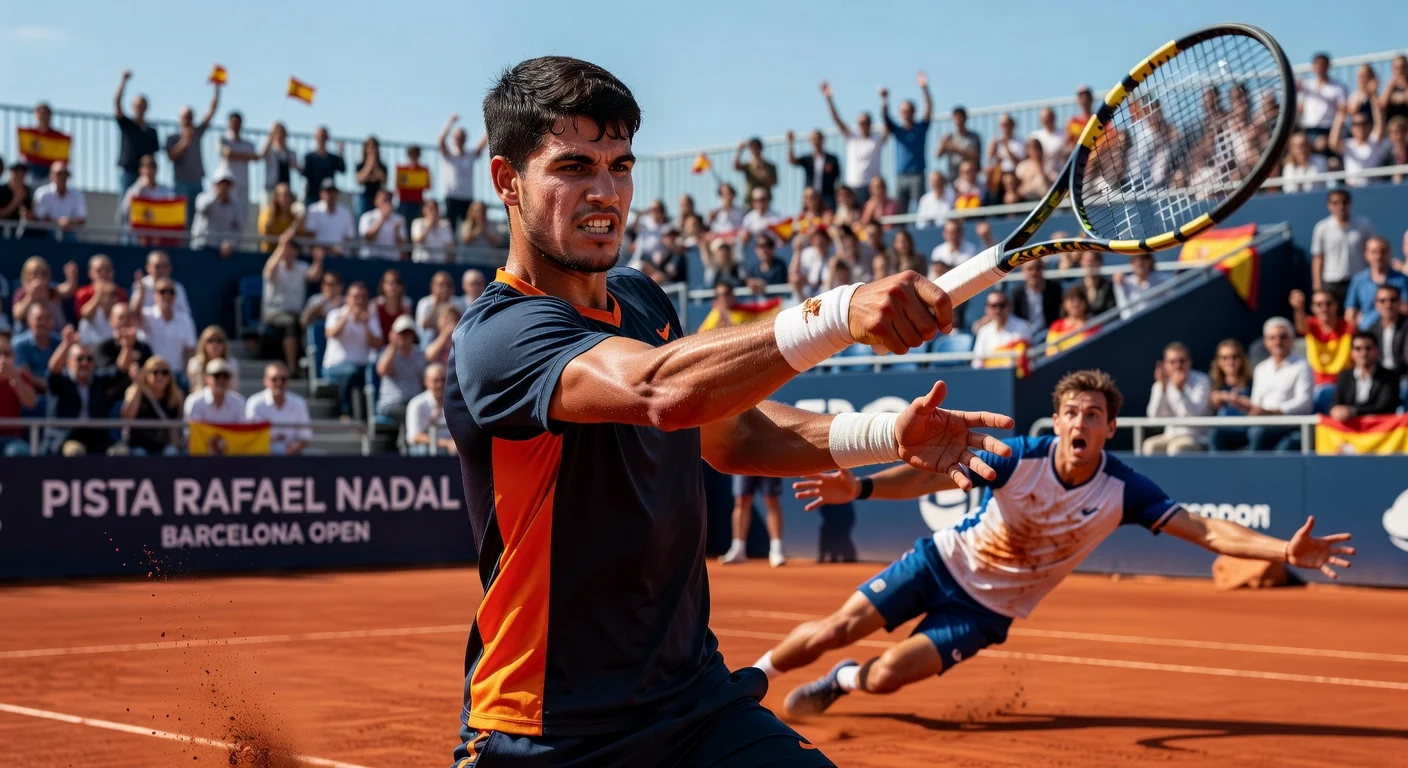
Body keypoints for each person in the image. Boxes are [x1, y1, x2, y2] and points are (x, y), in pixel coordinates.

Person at [445, 55, 1007, 768]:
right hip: (546, 730)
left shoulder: (642, 298)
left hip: (694, 706)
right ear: (506, 181)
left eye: (620, 166)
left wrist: (886, 432)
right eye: (574, 167)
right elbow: (661, 392)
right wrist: (838, 311)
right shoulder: (500, 335)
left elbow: (733, 431)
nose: (605, 192)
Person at [769, 370, 1356, 718]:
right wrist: (863, 487)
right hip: (941, 562)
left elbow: (1206, 531)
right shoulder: (1019, 456)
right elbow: (928, 474)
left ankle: (841, 680)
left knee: (886, 674)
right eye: (1071, 412)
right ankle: (749, 680)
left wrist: (1282, 551)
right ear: (1057, 420)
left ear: (1108, 429)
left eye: (1093, 415)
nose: (1080, 422)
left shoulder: (1124, 490)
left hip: (986, 611)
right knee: (831, 629)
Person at [45, 328, 126, 456]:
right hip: (66, 436)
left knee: (120, 452)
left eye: (89, 359)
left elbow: (120, 371)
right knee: (75, 451)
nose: (84, 363)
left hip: (96, 437)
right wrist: (66, 344)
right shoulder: (62, 382)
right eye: (80, 359)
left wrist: (127, 346)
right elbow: (53, 369)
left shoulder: (98, 381)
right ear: (69, 362)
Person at [1248, 317, 1314, 451]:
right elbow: (1256, 401)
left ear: (1291, 340)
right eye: (1272, 338)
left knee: (1259, 433)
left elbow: (1304, 405)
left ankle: (1249, 471)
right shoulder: (1261, 368)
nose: (1278, 342)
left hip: (1288, 424)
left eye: (1283, 337)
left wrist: (1274, 412)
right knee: (1218, 434)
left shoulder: (1302, 366)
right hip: (1261, 423)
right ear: (1266, 342)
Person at [262, 232, 325, 371]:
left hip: (296, 313)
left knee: (308, 321)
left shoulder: (301, 267)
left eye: (292, 249)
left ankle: (310, 365)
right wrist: (281, 246)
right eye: (286, 248)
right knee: (291, 323)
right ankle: (291, 367)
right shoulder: (274, 265)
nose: (289, 252)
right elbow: (269, 272)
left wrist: (318, 260)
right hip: (273, 313)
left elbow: (314, 276)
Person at [323, 281, 383, 421]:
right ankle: (345, 411)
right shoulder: (335, 314)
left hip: (363, 367)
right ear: (348, 298)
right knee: (353, 372)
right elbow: (331, 333)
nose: (359, 301)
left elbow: (377, 344)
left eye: (363, 297)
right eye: (356, 297)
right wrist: (347, 316)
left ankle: (373, 415)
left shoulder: (370, 319)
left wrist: (366, 325)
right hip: (334, 367)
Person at [821, 80, 885, 207]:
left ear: (870, 123)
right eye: (861, 122)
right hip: (854, 185)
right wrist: (829, 99)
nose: (863, 124)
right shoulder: (852, 137)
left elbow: (888, 123)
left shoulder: (877, 137)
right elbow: (837, 119)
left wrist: (884, 101)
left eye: (866, 122)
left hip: (871, 187)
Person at [1142, 342, 1212, 454]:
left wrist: (1180, 391)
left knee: (1176, 448)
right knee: (1150, 445)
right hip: (1170, 435)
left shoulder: (1201, 380)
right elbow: (1153, 417)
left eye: (1182, 361)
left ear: (1189, 362)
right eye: (1172, 362)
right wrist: (1162, 390)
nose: (1178, 365)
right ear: (1165, 364)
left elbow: (1194, 415)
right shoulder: (1160, 385)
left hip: (1196, 437)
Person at [165, 84, 221, 224]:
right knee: (182, 218)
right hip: (181, 183)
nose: (188, 120)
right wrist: (184, 142)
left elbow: (211, 113)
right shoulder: (172, 138)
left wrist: (217, 89)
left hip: (197, 181)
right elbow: (171, 156)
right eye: (185, 117)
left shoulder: (197, 132)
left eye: (190, 117)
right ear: (180, 119)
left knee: (197, 217)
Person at [1311, 189, 1375, 307]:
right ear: (1329, 206)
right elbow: (1318, 258)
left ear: (1350, 204)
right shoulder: (1321, 228)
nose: (1340, 206)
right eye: (1335, 203)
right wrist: (1317, 287)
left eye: (1344, 202)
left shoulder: (1364, 225)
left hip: (1358, 280)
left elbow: (1372, 253)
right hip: (1331, 282)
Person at [880, 71, 933, 213]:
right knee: (900, 210)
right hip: (900, 175)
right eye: (903, 111)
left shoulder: (920, 128)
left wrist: (924, 88)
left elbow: (929, 109)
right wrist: (884, 100)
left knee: (920, 209)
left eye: (908, 111)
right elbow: (885, 118)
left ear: (914, 112)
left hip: (917, 175)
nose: (906, 113)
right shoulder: (898, 130)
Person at [1291, 288, 1352, 410]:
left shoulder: (1348, 327)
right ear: (1313, 308)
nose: (1324, 308)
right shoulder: (1311, 325)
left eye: (1328, 304)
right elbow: (1300, 327)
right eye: (1319, 305)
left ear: (1336, 306)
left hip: (1340, 385)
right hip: (1316, 386)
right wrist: (1299, 308)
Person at [119, 355, 184, 456]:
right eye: (155, 372)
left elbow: (175, 430)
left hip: (163, 446)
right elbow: (127, 417)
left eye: (164, 372)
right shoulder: (134, 391)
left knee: (172, 453)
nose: (159, 377)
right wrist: (138, 385)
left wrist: (176, 444)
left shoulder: (176, 397)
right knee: (139, 454)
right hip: (138, 446)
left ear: (170, 376)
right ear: (146, 374)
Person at [139, 277, 198, 388]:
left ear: (175, 296)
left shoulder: (185, 320)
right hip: (151, 375)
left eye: (171, 292)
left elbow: (190, 350)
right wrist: (140, 293)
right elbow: (132, 315)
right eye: (162, 291)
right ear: (154, 295)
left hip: (177, 376)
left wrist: (187, 375)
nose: (167, 295)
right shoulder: (145, 316)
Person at [1329, 332, 1400, 421]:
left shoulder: (1389, 377)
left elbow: (1384, 407)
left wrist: (1353, 411)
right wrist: (1335, 411)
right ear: (1351, 352)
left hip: (1380, 431)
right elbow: (1336, 403)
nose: (1363, 353)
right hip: (1349, 432)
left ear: (1376, 350)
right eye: (1358, 349)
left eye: (1368, 348)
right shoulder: (1344, 376)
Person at [245, 362, 312, 455]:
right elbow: (251, 435)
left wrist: (295, 447)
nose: (279, 383)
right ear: (266, 381)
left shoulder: (299, 403)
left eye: (283, 379)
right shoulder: (255, 403)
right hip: (261, 457)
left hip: (292, 458)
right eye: (274, 379)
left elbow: (305, 436)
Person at [439, 114, 488, 237]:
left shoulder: (470, 155)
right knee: (450, 230)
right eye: (457, 137)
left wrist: (493, 122)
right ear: (453, 139)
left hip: (467, 197)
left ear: (465, 139)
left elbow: (483, 143)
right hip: (452, 197)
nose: (460, 140)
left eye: (462, 137)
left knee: (467, 229)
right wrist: (450, 123)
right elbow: (441, 141)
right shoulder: (449, 155)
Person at [1344, 236, 1408, 330]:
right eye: (1374, 252)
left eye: (1383, 252)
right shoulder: (1358, 280)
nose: (1378, 256)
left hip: (1396, 332)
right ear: (1366, 254)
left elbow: (1405, 308)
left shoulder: (1402, 280)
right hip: (1367, 334)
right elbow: (1350, 313)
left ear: (1389, 253)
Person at [114, 70, 159, 194]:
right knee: (125, 209)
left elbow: (153, 155)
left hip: (145, 176)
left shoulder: (151, 132)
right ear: (133, 107)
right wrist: (123, 82)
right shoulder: (127, 125)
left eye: (142, 106)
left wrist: (150, 174)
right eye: (137, 105)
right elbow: (117, 104)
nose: (140, 108)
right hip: (128, 172)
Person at [375, 315, 427, 422]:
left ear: (412, 335)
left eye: (407, 333)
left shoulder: (419, 353)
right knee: (411, 414)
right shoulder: (387, 352)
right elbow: (382, 370)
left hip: (414, 401)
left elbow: (425, 378)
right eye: (401, 333)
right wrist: (393, 346)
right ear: (393, 335)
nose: (404, 337)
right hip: (391, 403)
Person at [1207, 339, 1255, 452]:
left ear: (1242, 359)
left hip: (1247, 430)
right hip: (1223, 432)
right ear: (1218, 361)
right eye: (1225, 358)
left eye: (1234, 357)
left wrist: (1241, 402)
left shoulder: (1253, 382)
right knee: (1214, 434)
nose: (1230, 362)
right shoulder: (1213, 384)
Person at [1298, 53, 1348, 154]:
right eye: (1317, 64)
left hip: (1329, 130)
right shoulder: (1306, 85)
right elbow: (1300, 107)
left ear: (1328, 66)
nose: (1320, 67)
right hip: (1308, 129)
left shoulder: (1338, 86)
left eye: (1323, 64)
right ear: (1313, 66)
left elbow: (1342, 109)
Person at [969, 292, 1032, 369]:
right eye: (993, 306)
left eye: (1001, 305)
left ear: (1009, 306)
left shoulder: (1022, 327)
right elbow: (977, 362)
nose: (997, 310)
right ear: (987, 309)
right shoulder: (984, 331)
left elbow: (1022, 360)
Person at [0, 334, 39, 456]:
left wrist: (14, 376)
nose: (3, 359)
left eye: (7, 354)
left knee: (19, 452)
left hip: (12, 439)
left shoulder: (20, 376)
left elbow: (31, 403)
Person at [786, 129, 841, 211]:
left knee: (828, 215)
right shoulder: (808, 158)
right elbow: (792, 161)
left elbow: (837, 177)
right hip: (810, 196)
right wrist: (790, 143)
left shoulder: (832, 159)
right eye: (813, 139)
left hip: (827, 194)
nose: (816, 141)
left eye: (818, 138)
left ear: (822, 140)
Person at [190, 169, 243, 253]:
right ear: (215, 185)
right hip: (201, 246)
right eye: (221, 183)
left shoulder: (235, 204)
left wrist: (230, 242)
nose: (224, 187)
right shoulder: (202, 198)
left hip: (222, 251)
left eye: (227, 184)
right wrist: (216, 195)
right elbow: (202, 208)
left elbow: (237, 227)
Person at [405, 362, 452, 455]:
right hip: (428, 450)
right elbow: (414, 436)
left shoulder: (456, 401)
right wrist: (447, 444)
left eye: (443, 380)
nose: (440, 385)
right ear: (426, 382)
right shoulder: (417, 404)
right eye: (436, 380)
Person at [32, 161, 87, 240]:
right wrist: (59, 223)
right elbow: (40, 216)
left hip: (69, 234)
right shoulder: (42, 193)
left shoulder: (77, 194)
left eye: (65, 174)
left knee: (71, 240)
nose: (62, 177)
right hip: (46, 234)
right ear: (51, 176)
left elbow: (82, 218)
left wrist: (68, 223)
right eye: (59, 174)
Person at [183, 358, 246, 424]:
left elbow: (242, 431)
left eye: (225, 376)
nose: (221, 380)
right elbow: (191, 431)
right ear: (206, 378)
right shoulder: (194, 401)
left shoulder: (239, 402)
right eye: (217, 376)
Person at [303, 179, 358, 255]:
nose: (331, 195)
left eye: (333, 192)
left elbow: (349, 237)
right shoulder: (313, 210)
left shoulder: (345, 212)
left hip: (341, 256)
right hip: (318, 256)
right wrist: (329, 249)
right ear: (321, 193)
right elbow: (310, 236)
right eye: (328, 191)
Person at [215, 111, 257, 205]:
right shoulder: (223, 139)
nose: (235, 126)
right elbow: (226, 153)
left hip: (243, 184)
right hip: (228, 184)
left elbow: (255, 157)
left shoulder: (248, 144)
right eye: (233, 123)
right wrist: (245, 156)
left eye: (237, 123)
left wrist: (235, 154)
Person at [1010, 257, 1061, 333]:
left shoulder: (1054, 289)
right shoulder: (1017, 294)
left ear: (1043, 269)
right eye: (1030, 269)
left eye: (1037, 268)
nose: (1034, 273)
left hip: (1049, 333)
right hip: (1025, 334)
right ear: (1023, 272)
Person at [186, 325, 241, 393]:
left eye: (219, 341)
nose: (215, 345)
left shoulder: (231, 364)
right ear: (203, 343)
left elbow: (233, 390)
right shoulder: (195, 364)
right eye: (210, 340)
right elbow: (195, 390)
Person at [1114, 252, 1171, 317]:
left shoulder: (1164, 280)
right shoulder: (1124, 283)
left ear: (1151, 261)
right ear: (1131, 263)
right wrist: (1119, 286)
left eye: (1144, 257)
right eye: (1135, 259)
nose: (1140, 262)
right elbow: (1124, 312)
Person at [1368, 284, 1408, 376]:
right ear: (1376, 304)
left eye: (1393, 300)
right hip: (1380, 378)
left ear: (1399, 302)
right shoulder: (1372, 330)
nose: (1388, 305)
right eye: (1383, 301)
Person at [301, 126, 347, 206]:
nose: (321, 138)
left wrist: (341, 153)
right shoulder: (309, 157)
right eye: (320, 136)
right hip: (313, 195)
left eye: (323, 136)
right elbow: (305, 174)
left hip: (328, 196)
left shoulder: (333, 158)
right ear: (315, 137)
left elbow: (342, 170)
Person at [258, 121, 300, 205]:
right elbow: (261, 155)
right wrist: (271, 134)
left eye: (282, 134)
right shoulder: (270, 151)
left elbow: (296, 167)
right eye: (277, 133)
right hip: (271, 189)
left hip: (284, 191)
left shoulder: (290, 153)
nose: (280, 136)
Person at [358, 188, 408, 260]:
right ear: (376, 201)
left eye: (389, 200)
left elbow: (402, 246)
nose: (387, 203)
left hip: (391, 259)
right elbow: (368, 238)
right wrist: (382, 218)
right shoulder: (366, 217)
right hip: (371, 258)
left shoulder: (399, 219)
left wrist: (396, 231)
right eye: (384, 200)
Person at [936, 105, 982, 181]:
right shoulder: (949, 137)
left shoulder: (974, 137)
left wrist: (956, 149)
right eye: (955, 118)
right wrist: (942, 144)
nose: (958, 121)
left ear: (965, 119)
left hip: (969, 176)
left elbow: (976, 156)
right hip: (953, 175)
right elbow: (938, 155)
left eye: (960, 118)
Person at [395, 145, 431, 237]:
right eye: (411, 154)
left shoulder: (423, 169)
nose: (414, 156)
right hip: (404, 204)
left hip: (417, 203)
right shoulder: (402, 169)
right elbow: (398, 186)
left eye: (416, 154)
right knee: (404, 231)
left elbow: (428, 186)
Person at [257, 183, 302, 253]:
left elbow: (302, 234)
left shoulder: (294, 216)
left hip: (288, 256)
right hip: (269, 254)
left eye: (289, 196)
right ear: (276, 198)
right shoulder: (267, 213)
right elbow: (264, 232)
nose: (287, 199)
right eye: (284, 196)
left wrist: (299, 219)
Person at [732, 137, 777, 202]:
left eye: (756, 148)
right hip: (749, 200)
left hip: (764, 201)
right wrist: (739, 151)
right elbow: (736, 166)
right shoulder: (748, 165)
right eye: (752, 148)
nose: (754, 150)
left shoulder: (770, 166)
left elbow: (774, 182)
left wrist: (763, 176)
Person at [412, 198, 455, 263]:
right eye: (430, 208)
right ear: (424, 209)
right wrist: (430, 225)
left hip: (440, 263)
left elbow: (449, 245)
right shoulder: (417, 222)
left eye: (435, 208)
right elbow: (418, 240)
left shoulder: (445, 225)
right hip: (422, 262)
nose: (433, 211)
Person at [355, 136, 388, 217]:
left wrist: (375, 165)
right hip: (365, 196)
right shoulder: (360, 165)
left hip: (378, 196)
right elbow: (360, 179)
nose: (372, 150)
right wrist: (369, 164)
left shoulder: (382, 166)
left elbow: (384, 180)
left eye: (374, 147)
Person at [1065, 86, 1096, 151]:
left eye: (1087, 97)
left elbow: (1109, 138)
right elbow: (1068, 145)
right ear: (1078, 100)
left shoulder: (1100, 119)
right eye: (1081, 97)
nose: (1084, 100)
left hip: (1100, 157)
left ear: (1091, 99)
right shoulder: (1073, 122)